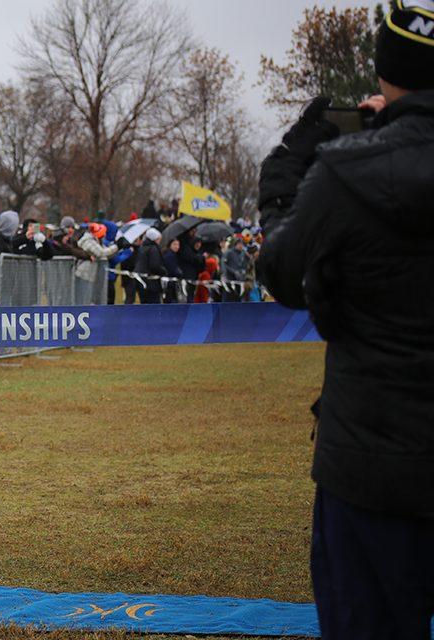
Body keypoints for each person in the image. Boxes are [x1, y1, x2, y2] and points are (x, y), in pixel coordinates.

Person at [257, 3, 434, 635]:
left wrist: (282, 180)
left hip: (370, 464)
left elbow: (281, 275)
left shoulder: (345, 169)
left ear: (384, 72)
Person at [75, 222, 118, 305]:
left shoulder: (95, 241)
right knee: (83, 300)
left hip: (90, 275)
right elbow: (101, 253)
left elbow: (107, 252)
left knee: (90, 299)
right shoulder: (88, 241)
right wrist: (117, 246)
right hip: (84, 275)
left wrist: (116, 248)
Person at [132, 228, 165, 303]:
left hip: (141, 281)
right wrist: (164, 271)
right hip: (151, 283)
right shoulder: (153, 249)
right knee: (153, 306)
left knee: (144, 305)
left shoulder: (142, 247)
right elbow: (155, 266)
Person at [221, 235, 252, 302]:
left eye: (242, 244)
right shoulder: (229, 252)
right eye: (239, 244)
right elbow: (223, 264)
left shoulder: (244, 253)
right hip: (230, 280)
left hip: (240, 280)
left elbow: (248, 264)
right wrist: (231, 272)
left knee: (239, 298)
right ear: (235, 244)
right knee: (229, 298)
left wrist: (244, 271)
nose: (241, 246)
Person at [163, 237, 184, 304]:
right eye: (174, 244)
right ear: (170, 245)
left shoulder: (173, 255)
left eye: (178, 245)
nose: (177, 247)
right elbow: (172, 269)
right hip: (170, 283)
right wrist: (180, 273)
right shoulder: (169, 255)